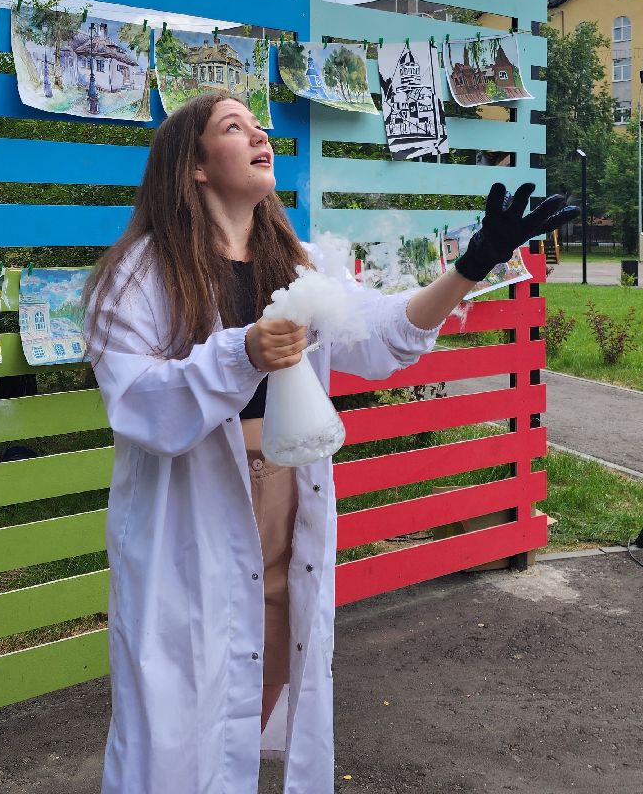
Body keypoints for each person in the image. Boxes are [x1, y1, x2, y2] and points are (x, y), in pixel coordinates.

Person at [83, 91, 574, 794]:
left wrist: (473, 265)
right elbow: (135, 402)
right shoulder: (140, 274)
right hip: (188, 518)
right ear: (193, 165)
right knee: (177, 708)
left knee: (264, 675)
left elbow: (385, 337)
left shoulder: (300, 262)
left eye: (260, 125)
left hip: (286, 499)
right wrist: (243, 351)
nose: (260, 135)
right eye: (235, 127)